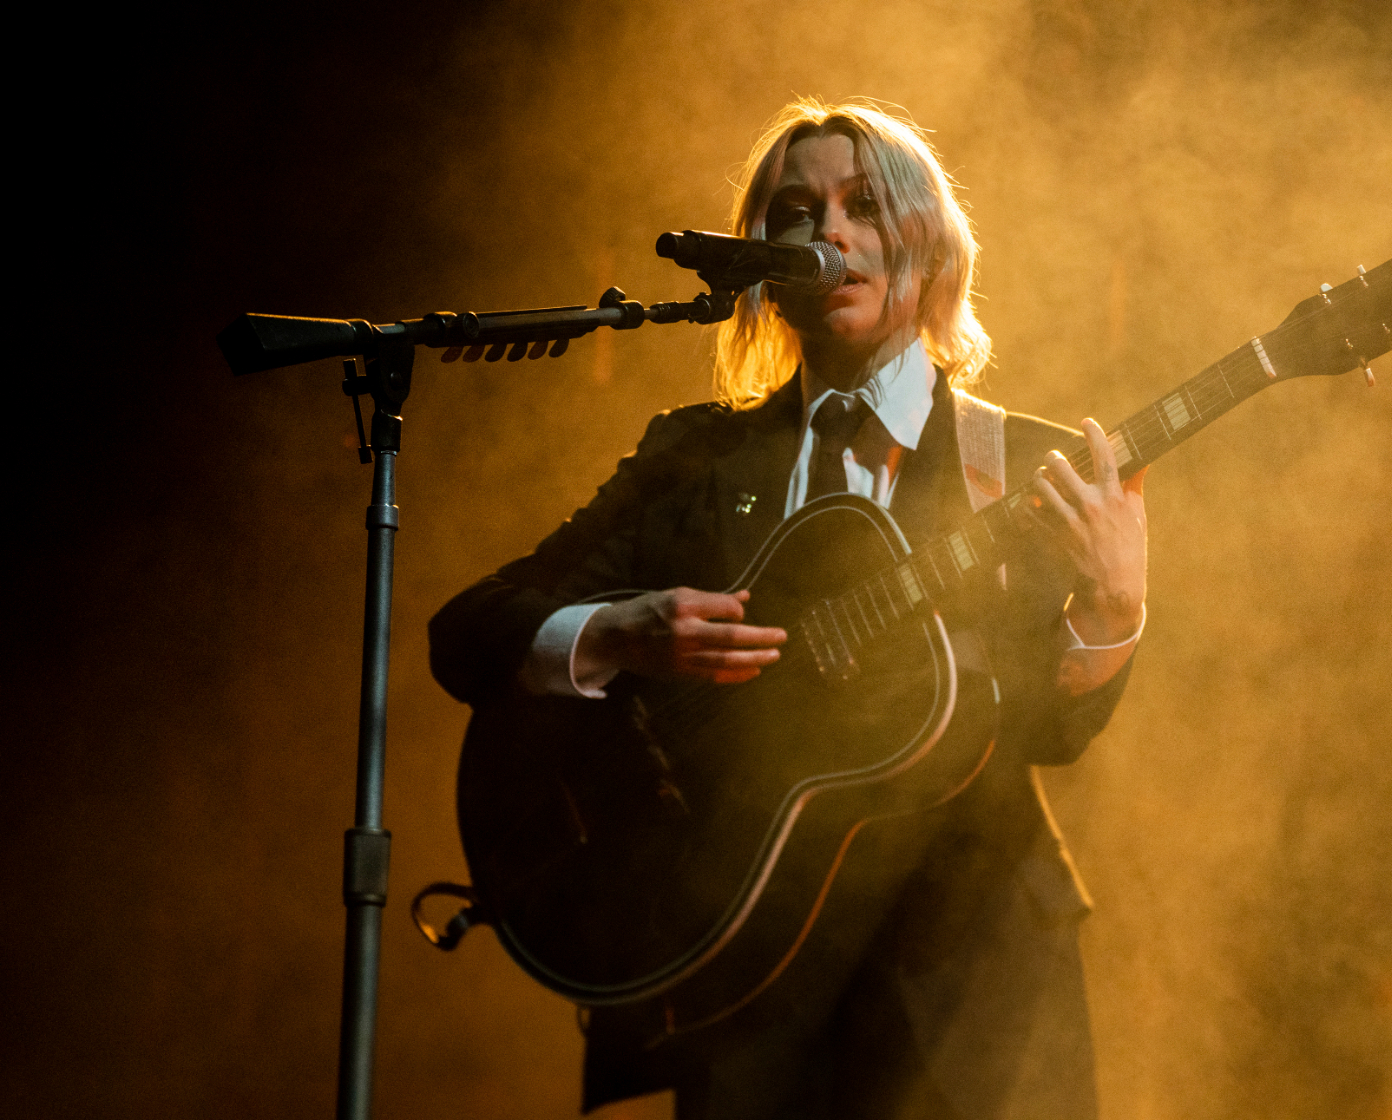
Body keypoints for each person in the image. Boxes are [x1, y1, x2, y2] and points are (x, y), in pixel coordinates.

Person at [430, 98, 1148, 1120]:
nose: (830, 233)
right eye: (797, 212)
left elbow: (1045, 727)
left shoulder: (1021, 465)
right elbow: (466, 631)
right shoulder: (694, 458)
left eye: (865, 205)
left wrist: (1113, 609)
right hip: (747, 991)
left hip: (971, 998)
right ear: (762, 257)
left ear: (932, 246)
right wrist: (616, 633)